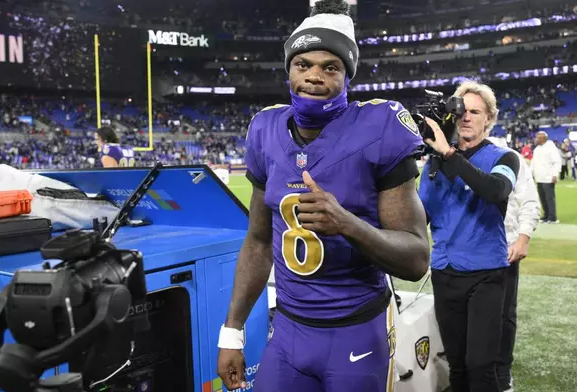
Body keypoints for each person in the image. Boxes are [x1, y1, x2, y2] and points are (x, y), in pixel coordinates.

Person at [217, 1, 430, 391]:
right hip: (288, 330)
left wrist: (347, 224)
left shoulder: (378, 126)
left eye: (329, 67)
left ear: (346, 76)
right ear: (289, 71)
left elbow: (417, 258)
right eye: (303, 65)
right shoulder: (265, 129)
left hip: (356, 330)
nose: (314, 76)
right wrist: (232, 332)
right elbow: (258, 241)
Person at [418, 80, 520, 392]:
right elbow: (421, 216)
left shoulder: (505, 157)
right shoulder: (432, 164)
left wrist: (449, 154)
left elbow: (495, 190)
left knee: (480, 365)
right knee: (457, 365)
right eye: (460, 110)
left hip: (485, 274)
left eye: (475, 111)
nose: (466, 117)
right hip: (444, 271)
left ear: (489, 118)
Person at [487, 136, 541, 392]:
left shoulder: (507, 154)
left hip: (503, 246)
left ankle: (502, 372)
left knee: (503, 314)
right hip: (463, 251)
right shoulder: (451, 155)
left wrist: (522, 239)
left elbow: (530, 202)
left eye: (476, 112)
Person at [531, 131, 561, 223]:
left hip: (548, 177)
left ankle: (552, 217)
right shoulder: (537, 149)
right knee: (542, 197)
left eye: (538, 137)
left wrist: (555, 174)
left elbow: (556, 161)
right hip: (539, 177)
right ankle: (546, 215)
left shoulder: (551, 148)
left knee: (549, 198)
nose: (536, 139)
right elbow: (533, 162)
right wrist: (530, 173)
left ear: (543, 138)